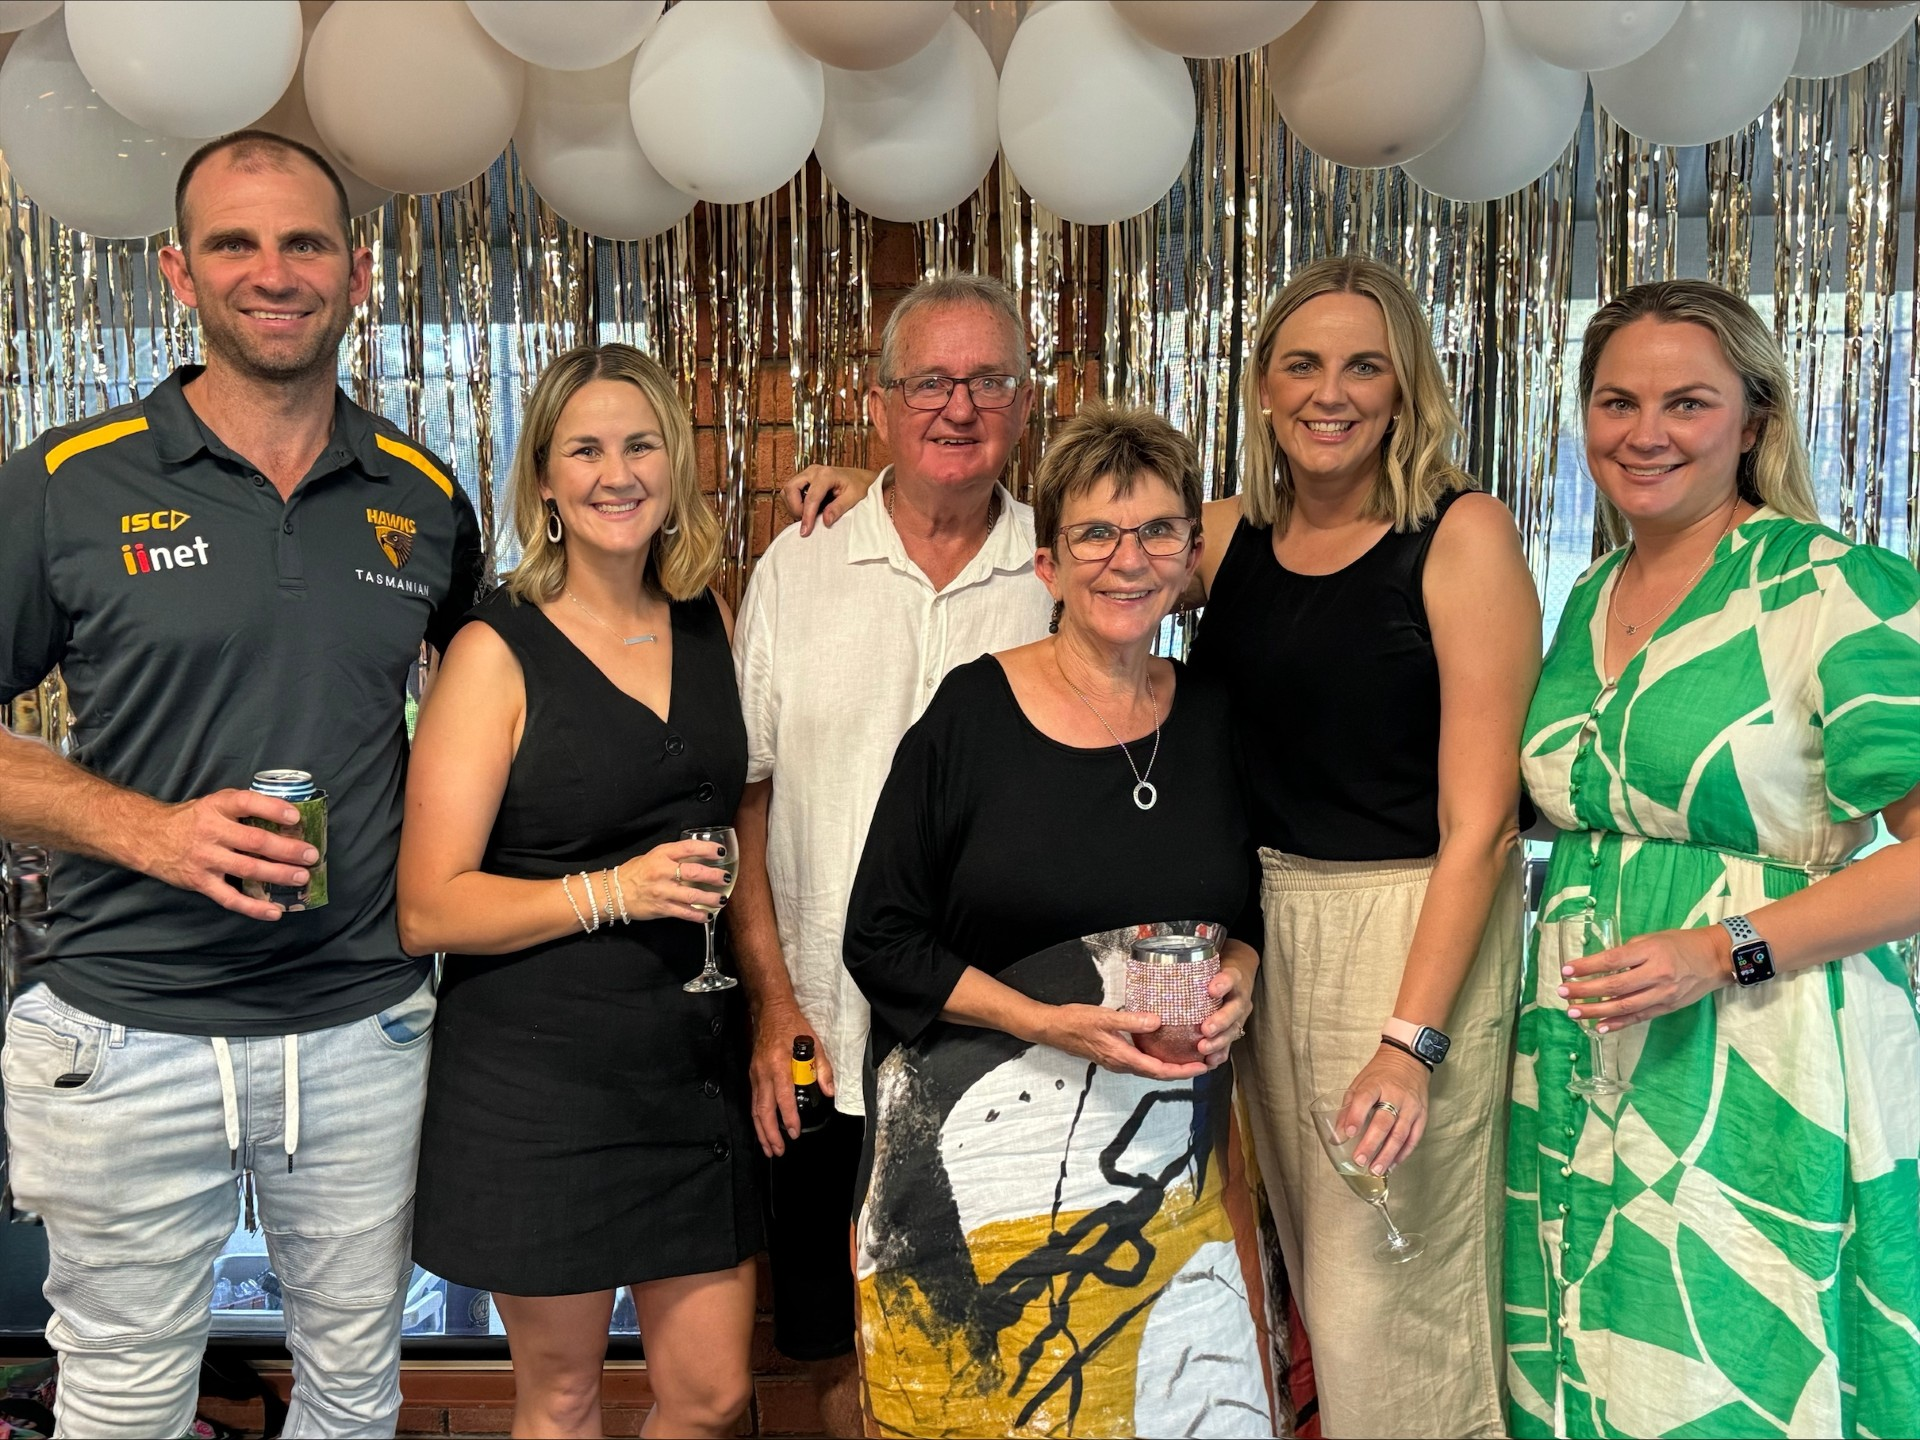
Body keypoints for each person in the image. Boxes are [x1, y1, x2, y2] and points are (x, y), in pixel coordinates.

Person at [0, 131, 481, 1437]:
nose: (273, 272)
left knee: (353, 1396)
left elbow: (532, 679)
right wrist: (140, 829)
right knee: (123, 1403)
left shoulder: (423, 494)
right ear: (179, 269)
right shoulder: (65, 484)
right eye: (234, 242)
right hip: (125, 1032)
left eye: (304, 241)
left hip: (364, 1029)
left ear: (357, 270)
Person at [1509, 280, 1920, 1438]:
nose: (1647, 433)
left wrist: (1726, 948)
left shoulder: (1834, 585)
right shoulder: (1587, 594)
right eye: (1616, 401)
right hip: (1584, 1043)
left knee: (1722, 1375)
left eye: (1687, 402)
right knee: (1596, 1359)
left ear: (1754, 419)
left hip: (1762, 1048)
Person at [842, 402, 1272, 1438]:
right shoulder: (972, 715)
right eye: (1095, 534)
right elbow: (880, 937)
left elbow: (1241, 910)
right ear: (1048, 565)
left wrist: (1246, 971)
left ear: (1190, 553)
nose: (1128, 559)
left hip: (1166, 1167)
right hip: (982, 1181)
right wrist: (1047, 1020)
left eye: (1157, 530)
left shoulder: (1215, 715)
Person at [1184, 255, 1540, 1438]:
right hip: (1265, 936)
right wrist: (868, 486)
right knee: (1299, 1288)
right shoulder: (1229, 532)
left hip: (1409, 930)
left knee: (1387, 1299)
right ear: (1264, 389)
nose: (1329, 392)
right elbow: (1076, 548)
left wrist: (1411, 1041)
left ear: (1404, 390)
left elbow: (1482, 825)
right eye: (1303, 363)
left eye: (1363, 365)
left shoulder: (1461, 533)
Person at [399, 344, 759, 1439]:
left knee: (710, 1395)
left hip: (688, 1072)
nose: (617, 472)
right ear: (545, 481)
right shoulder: (491, 650)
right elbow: (429, 908)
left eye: (641, 444)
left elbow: (740, 813)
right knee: (560, 1398)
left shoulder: (712, 618)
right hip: (536, 1085)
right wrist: (612, 891)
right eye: (586, 449)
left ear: (675, 466)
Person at [730, 272, 1054, 1434]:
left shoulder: (1067, 575)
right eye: (929, 380)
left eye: (987, 381)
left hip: (1006, 1045)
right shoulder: (797, 568)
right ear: (876, 406)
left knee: (1000, 1343)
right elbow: (749, 806)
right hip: (823, 1030)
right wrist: (772, 1007)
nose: (956, 407)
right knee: (830, 1348)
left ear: (1027, 403)